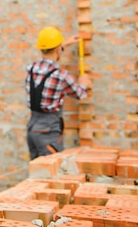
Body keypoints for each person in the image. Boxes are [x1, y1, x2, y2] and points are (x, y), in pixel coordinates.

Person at [25, 26, 90, 160]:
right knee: (52, 171)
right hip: (48, 131)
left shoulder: (31, 68)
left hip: (32, 129)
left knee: (37, 172)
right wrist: (84, 83)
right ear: (58, 48)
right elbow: (80, 94)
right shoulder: (60, 75)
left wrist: (63, 44)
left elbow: (47, 61)